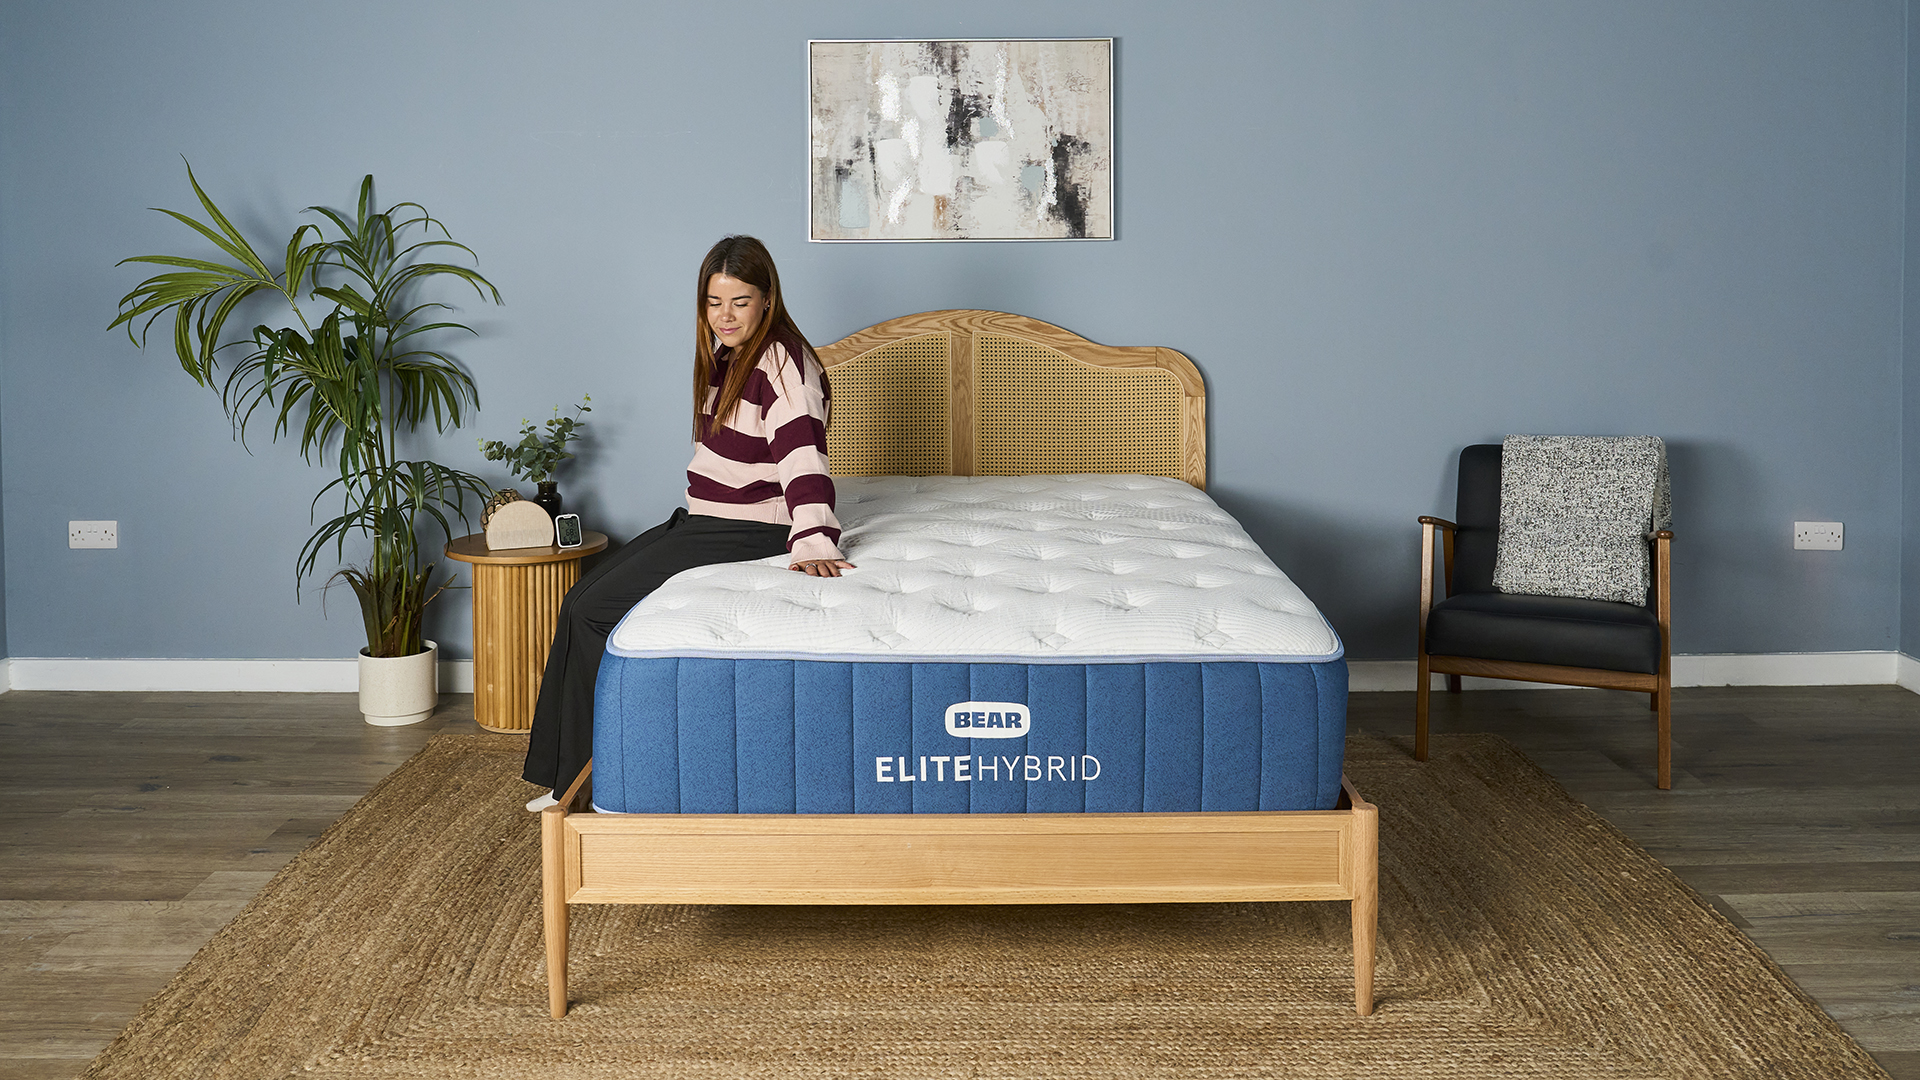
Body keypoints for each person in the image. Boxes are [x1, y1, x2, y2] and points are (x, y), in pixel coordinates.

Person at [521, 235, 853, 806]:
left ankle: (586, 779)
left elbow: (804, 454)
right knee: (579, 601)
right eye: (713, 301)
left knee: (593, 610)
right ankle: (566, 774)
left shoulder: (783, 363)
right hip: (706, 518)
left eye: (740, 302)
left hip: (751, 526)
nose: (724, 316)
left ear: (768, 300)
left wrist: (814, 537)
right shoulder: (729, 357)